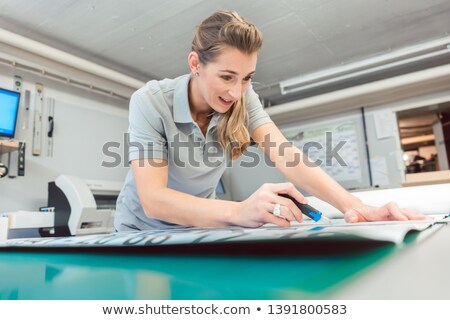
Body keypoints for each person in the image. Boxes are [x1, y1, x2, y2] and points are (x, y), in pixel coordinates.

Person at [114, 10, 427, 231]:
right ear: (195, 63)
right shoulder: (151, 101)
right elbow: (154, 200)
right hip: (141, 231)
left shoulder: (242, 98)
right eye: (226, 76)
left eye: (247, 78)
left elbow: (289, 158)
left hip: (199, 225)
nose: (236, 92)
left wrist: (356, 207)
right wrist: (239, 210)